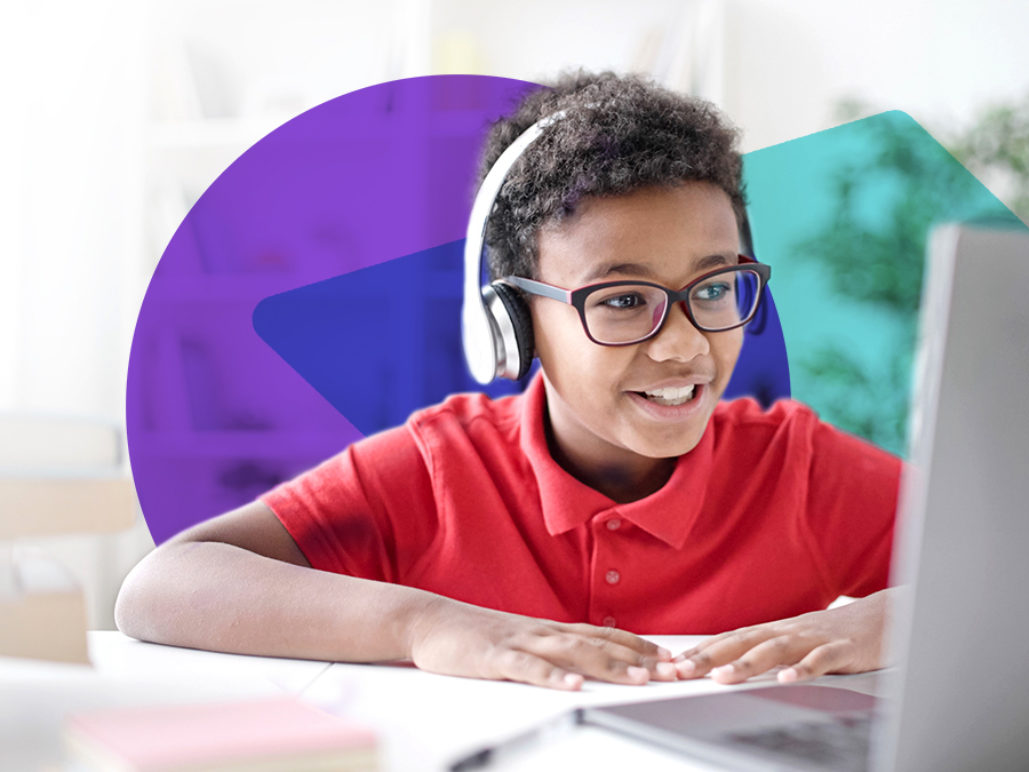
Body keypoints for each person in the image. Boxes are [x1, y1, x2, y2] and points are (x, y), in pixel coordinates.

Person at [115, 71, 900, 691]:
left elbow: (1014, 577)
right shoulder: (435, 471)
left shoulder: (798, 469)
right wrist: (423, 625)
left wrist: (879, 624)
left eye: (715, 287)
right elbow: (161, 588)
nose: (684, 343)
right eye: (624, 300)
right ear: (512, 324)